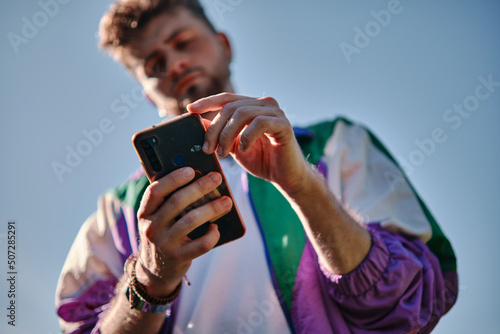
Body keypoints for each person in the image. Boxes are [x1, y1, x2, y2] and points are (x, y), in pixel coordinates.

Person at [55, 1, 458, 333]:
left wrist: (302, 185)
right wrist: (151, 279)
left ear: (224, 45)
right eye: (154, 64)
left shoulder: (339, 144)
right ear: (146, 92)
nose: (174, 64)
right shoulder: (119, 212)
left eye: (183, 43)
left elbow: (411, 303)